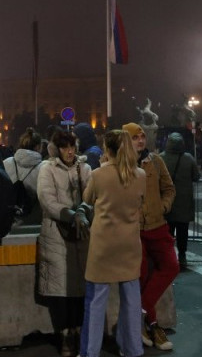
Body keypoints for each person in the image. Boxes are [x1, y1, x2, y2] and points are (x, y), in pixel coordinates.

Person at [80, 130, 146, 357]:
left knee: (96, 303)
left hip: (103, 247)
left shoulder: (99, 175)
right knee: (131, 302)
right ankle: (133, 349)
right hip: (129, 245)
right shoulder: (140, 175)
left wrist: (102, 165)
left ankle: (90, 352)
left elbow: (87, 199)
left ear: (107, 149)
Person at [36, 130, 92, 357]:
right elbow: (47, 200)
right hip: (56, 236)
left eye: (72, 146)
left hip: (81, 235)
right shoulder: (47, 169)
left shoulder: (85, 168)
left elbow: (92, 195)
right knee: (60, 290)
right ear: (55, 149)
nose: (69, 151)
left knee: (80, 289)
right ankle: (65, 334)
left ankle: (78, 331)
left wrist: (84, 210)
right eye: (64, 147)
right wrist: (70, 214)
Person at [122, 122, 177, 351]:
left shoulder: (155, 161)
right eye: (135, 138)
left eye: (142, 137)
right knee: (142, 275)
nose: (141, 141)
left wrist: (163, 207)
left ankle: (140, 312)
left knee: (171, 266)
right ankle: (153, 326)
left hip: (157, 225)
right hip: (133, 229)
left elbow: (169, 188)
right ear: (126, 141)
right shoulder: (118, 165)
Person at [160, 132, 201, 271]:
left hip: (167, 203)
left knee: (168, 233)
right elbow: (196, 176)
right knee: (183, 233)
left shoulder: (161, 158)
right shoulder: (188, 158)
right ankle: (182, 256)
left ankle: (169, 258)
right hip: (184, 202)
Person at [6, 127, 46, 227]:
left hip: (10, 219)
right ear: (37, 147)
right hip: (35, 221)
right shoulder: (44, 167)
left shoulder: (6, 163)